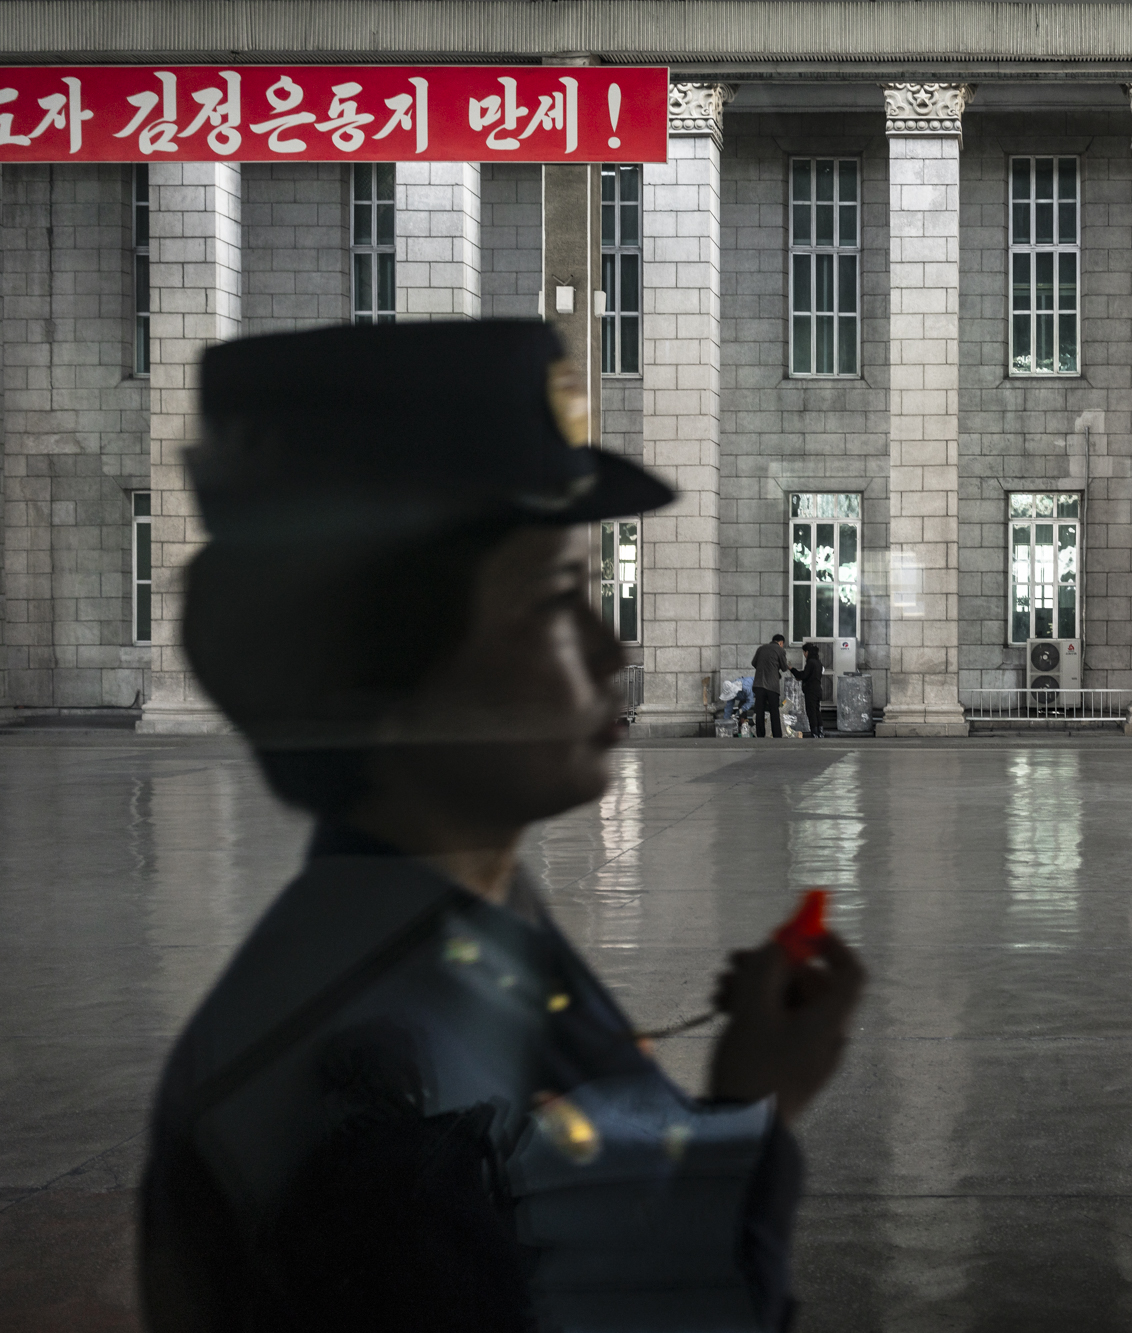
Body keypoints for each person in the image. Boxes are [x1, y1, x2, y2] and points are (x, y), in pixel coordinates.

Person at [138, 322, 865, 1333]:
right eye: (556, 601)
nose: (612, 656)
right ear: (385, 663)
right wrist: (760, 1129)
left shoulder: (466, 931)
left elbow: (577, 1203)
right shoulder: (360, 1084)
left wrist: (747, 1094)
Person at [750, 634, 788, 739]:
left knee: (759, 711)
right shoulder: (780, 650)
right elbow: (784, 667)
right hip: (772, 686)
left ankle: (760, 735)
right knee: (774, 711)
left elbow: (754, 663)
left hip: (759, 685)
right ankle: (777, 736)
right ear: (781, 643)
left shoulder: (761, 649)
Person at [792, 644, 826, 739]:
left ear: (808, 652)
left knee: (811, 712)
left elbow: (804, 675)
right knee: (817, 711)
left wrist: (792, 670)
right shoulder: (818, 663)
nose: (804, 654)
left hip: (811, 691)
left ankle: (814, 732)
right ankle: (820, 732)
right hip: (818, 690)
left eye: (804, 652)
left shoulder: (810, 663)